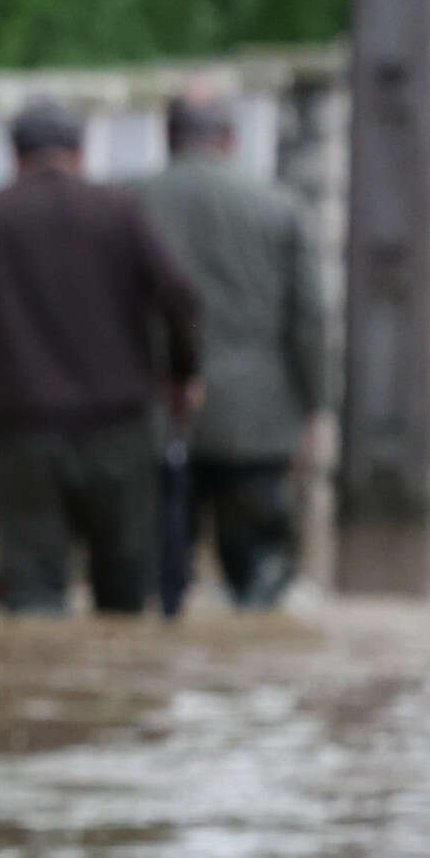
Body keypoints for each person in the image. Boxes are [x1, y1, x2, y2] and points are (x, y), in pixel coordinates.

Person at [0, 103, 205, 616]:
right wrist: (183, 373)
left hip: (27, 434)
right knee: (126, 597)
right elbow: (179, 293)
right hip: (120, 432)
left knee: (33, 598)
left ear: (15, 156)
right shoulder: (121, 210)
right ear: (81, 151)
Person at [130, 91, 327, 610]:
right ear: (231, 139)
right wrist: (315, 405)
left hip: (157, 416)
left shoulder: (130, 202)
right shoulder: (280, 208)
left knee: (160, 588)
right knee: (260, 581)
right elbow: (309, 322)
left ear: (167, 135)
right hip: (259, 423)